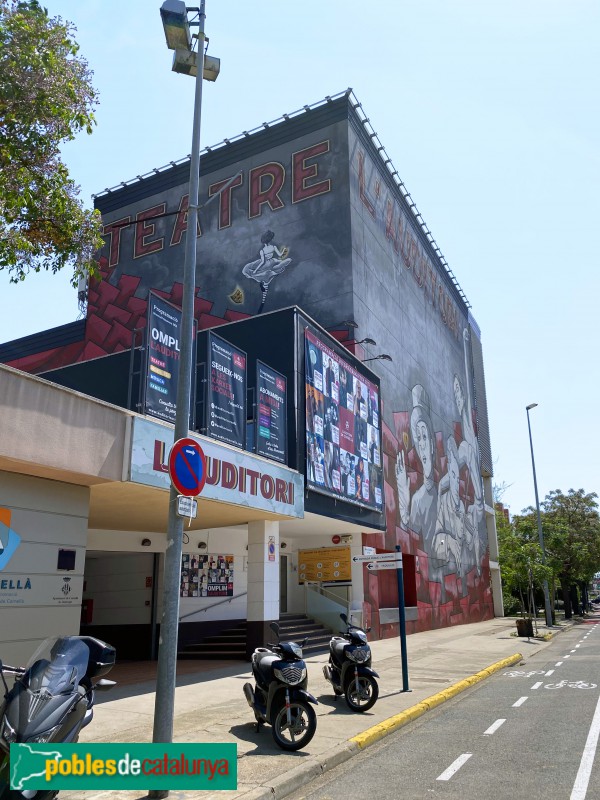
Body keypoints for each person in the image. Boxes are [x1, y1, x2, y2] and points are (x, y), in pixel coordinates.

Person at [241, 230, 292, 313]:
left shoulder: (263, 251)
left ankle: (264, 286)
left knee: (253, 271)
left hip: (265, 265)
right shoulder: (273, 247)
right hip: (272, 261)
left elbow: (262, 262)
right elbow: (280, 255)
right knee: (272, 270)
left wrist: (256, 271)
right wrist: (284, 251)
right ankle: (278, 267)